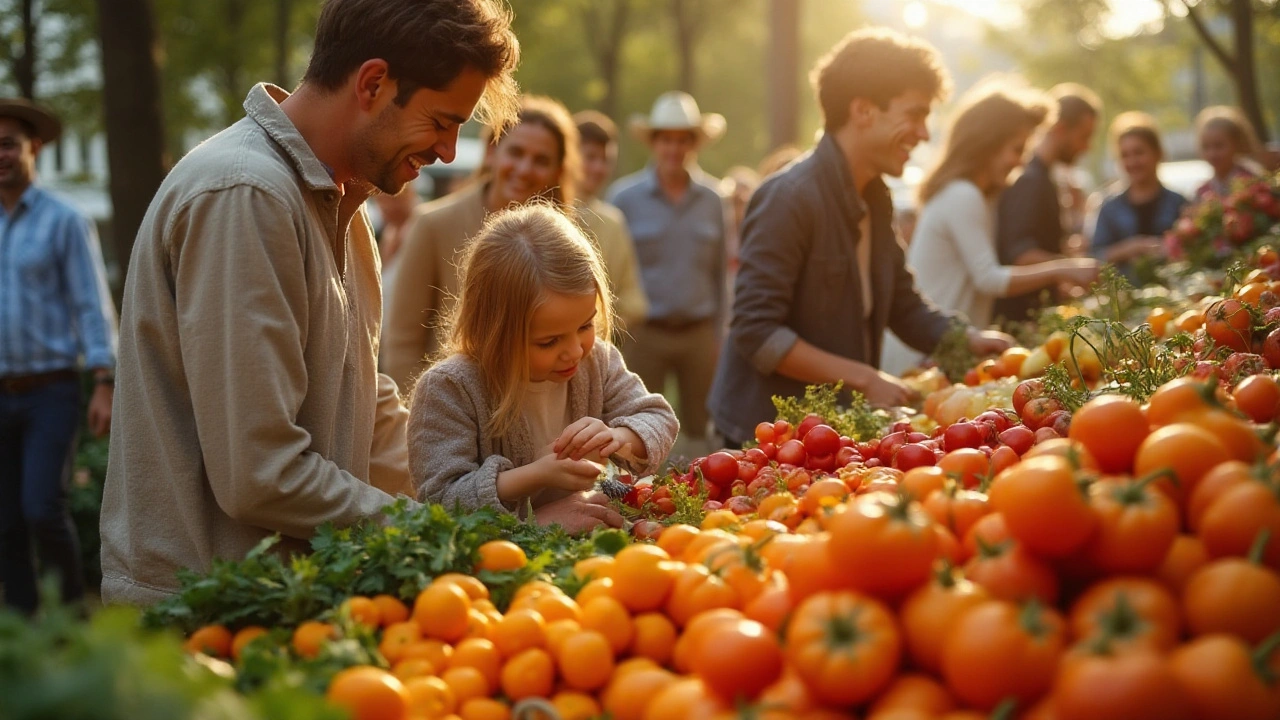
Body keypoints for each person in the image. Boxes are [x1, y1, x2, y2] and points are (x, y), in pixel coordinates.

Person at [99, 0, 521, 606]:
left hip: (279, 599)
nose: (450, 152)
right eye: (441, 121)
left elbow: (367, 412)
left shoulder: (342, 206)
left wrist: (495, 490)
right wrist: (440, 533)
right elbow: (260, 473)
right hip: (203, 621)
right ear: (373, 83)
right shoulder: (246, 197)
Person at [707, 28, 1013, 449]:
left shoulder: (876, 195)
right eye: (915, 114)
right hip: (766, 437)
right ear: (863, 110)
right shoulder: (788, 197)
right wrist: (864, 377)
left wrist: (967, 340)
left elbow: (903, 305)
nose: (924, 133)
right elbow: (756, 333)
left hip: (829, 433)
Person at [407, 205, 677, 533]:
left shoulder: (598, 363)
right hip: (499, 559)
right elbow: (441, 500)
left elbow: (659, 418)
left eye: (586, 325)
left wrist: (616, 438)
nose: (575, 351)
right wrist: (536, 476)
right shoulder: (450, 389)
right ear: (493, 332)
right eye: (549, 342)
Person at [880, 82, 1099, 376]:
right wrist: (1065, 268)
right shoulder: (962, 195)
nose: (1020, 161)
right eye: (1017, 149)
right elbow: (989, 278)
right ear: (988, 144)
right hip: (920, 358)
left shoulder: (979, 197)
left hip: (944, 354)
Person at [0, 99, 117, 613]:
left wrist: (104, 381)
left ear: (34, 148)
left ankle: (71, 621)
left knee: (42, 507)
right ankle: (25, 630)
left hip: (51, 391)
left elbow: (91, 304)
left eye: (7, 143)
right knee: (4, 520)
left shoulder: (66, 221)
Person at [383, 96, 580, 392]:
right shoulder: (433, 224)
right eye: (516, 152)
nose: (525, 168)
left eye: (541, 160)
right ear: (492, 152)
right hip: (453, 410)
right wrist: (418, 420)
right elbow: (402, 341)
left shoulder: (570, 238)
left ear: (558, 171)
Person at [608, 91, 728, 455]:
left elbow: (720, 273)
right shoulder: (623, 199)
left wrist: (718, 335)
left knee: (701, 430)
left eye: (682, 140)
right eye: (666, 139)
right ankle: (635, 502)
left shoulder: (713, 199)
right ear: (654, 143)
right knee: (635, 426)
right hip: (644, 335)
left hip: (698, 333)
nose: (674, 149)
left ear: (693, 145)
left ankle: (700, 504)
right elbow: (611, 271)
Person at [991, 83, 1102, 325]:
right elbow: (1021, 255)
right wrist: (1070, 267)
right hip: (1019, 321)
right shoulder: (1030, 180)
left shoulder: (1045, 178)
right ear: (1061, 129)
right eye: (1083, 137)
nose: (1087, 146)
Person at [1089, 112, 1187, 282]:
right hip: (1126, 301)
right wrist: (1129, 249)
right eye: (1125, 155)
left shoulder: (1179, 203)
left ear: (1157, 153)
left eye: (1139, 152)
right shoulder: (1109, 207)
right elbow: (1094, 258)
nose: (1132, 162)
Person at [572, 110, 647, 331]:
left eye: (605, 160)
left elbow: (634, 302)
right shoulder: (541, 211)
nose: (599, 168)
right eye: (590, 157)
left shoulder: (613, 222)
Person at [1195, 105, 1264, 199]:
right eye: (1206, 147)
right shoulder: (1202, 192)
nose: (1212, 154)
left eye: (1219, 146)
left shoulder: (1254, 184)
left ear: (1237, 143)